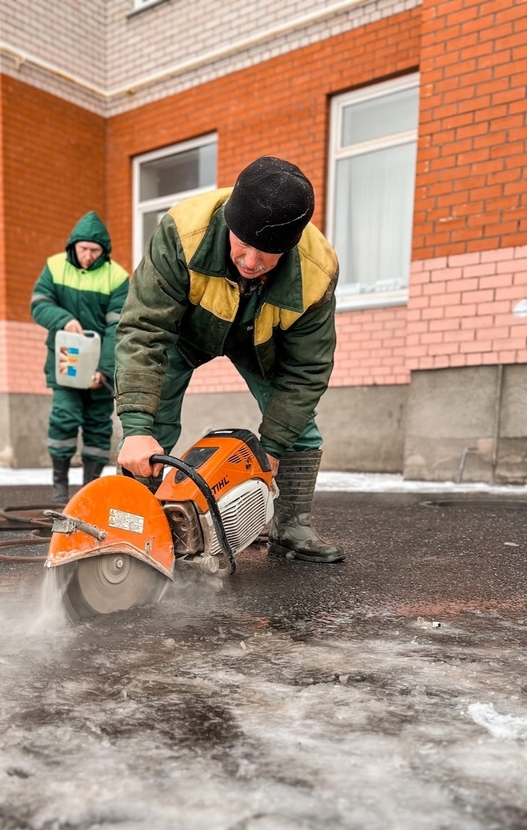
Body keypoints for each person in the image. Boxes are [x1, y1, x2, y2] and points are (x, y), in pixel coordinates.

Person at [114, 155, 344, 563]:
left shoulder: (316, 270)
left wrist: (272, 447)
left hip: (262, 337)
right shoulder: (183, 232)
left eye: (268, 253)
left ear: (291, 244)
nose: (252, 262)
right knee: (153, 418)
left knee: (299, 429)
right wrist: (135, 427)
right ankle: (137, 523)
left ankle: (292, 526)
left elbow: (306, 370)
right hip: (186, 329)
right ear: (229, 225)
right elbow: (144, 331)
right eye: (243, 243)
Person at [31, 211, 129, 503]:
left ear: (104, 251)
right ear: (73, 245)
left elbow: (117, 328)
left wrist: (104, 371)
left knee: (99, 426)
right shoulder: (55, 267)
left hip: (100, 366)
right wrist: (63, 319)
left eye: (94, 250)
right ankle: (60, 489)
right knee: (64, 418)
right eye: (83, 248)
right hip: (66, 363)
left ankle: (89, 492)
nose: (87, 255)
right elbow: (39, 304)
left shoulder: (117, 276)